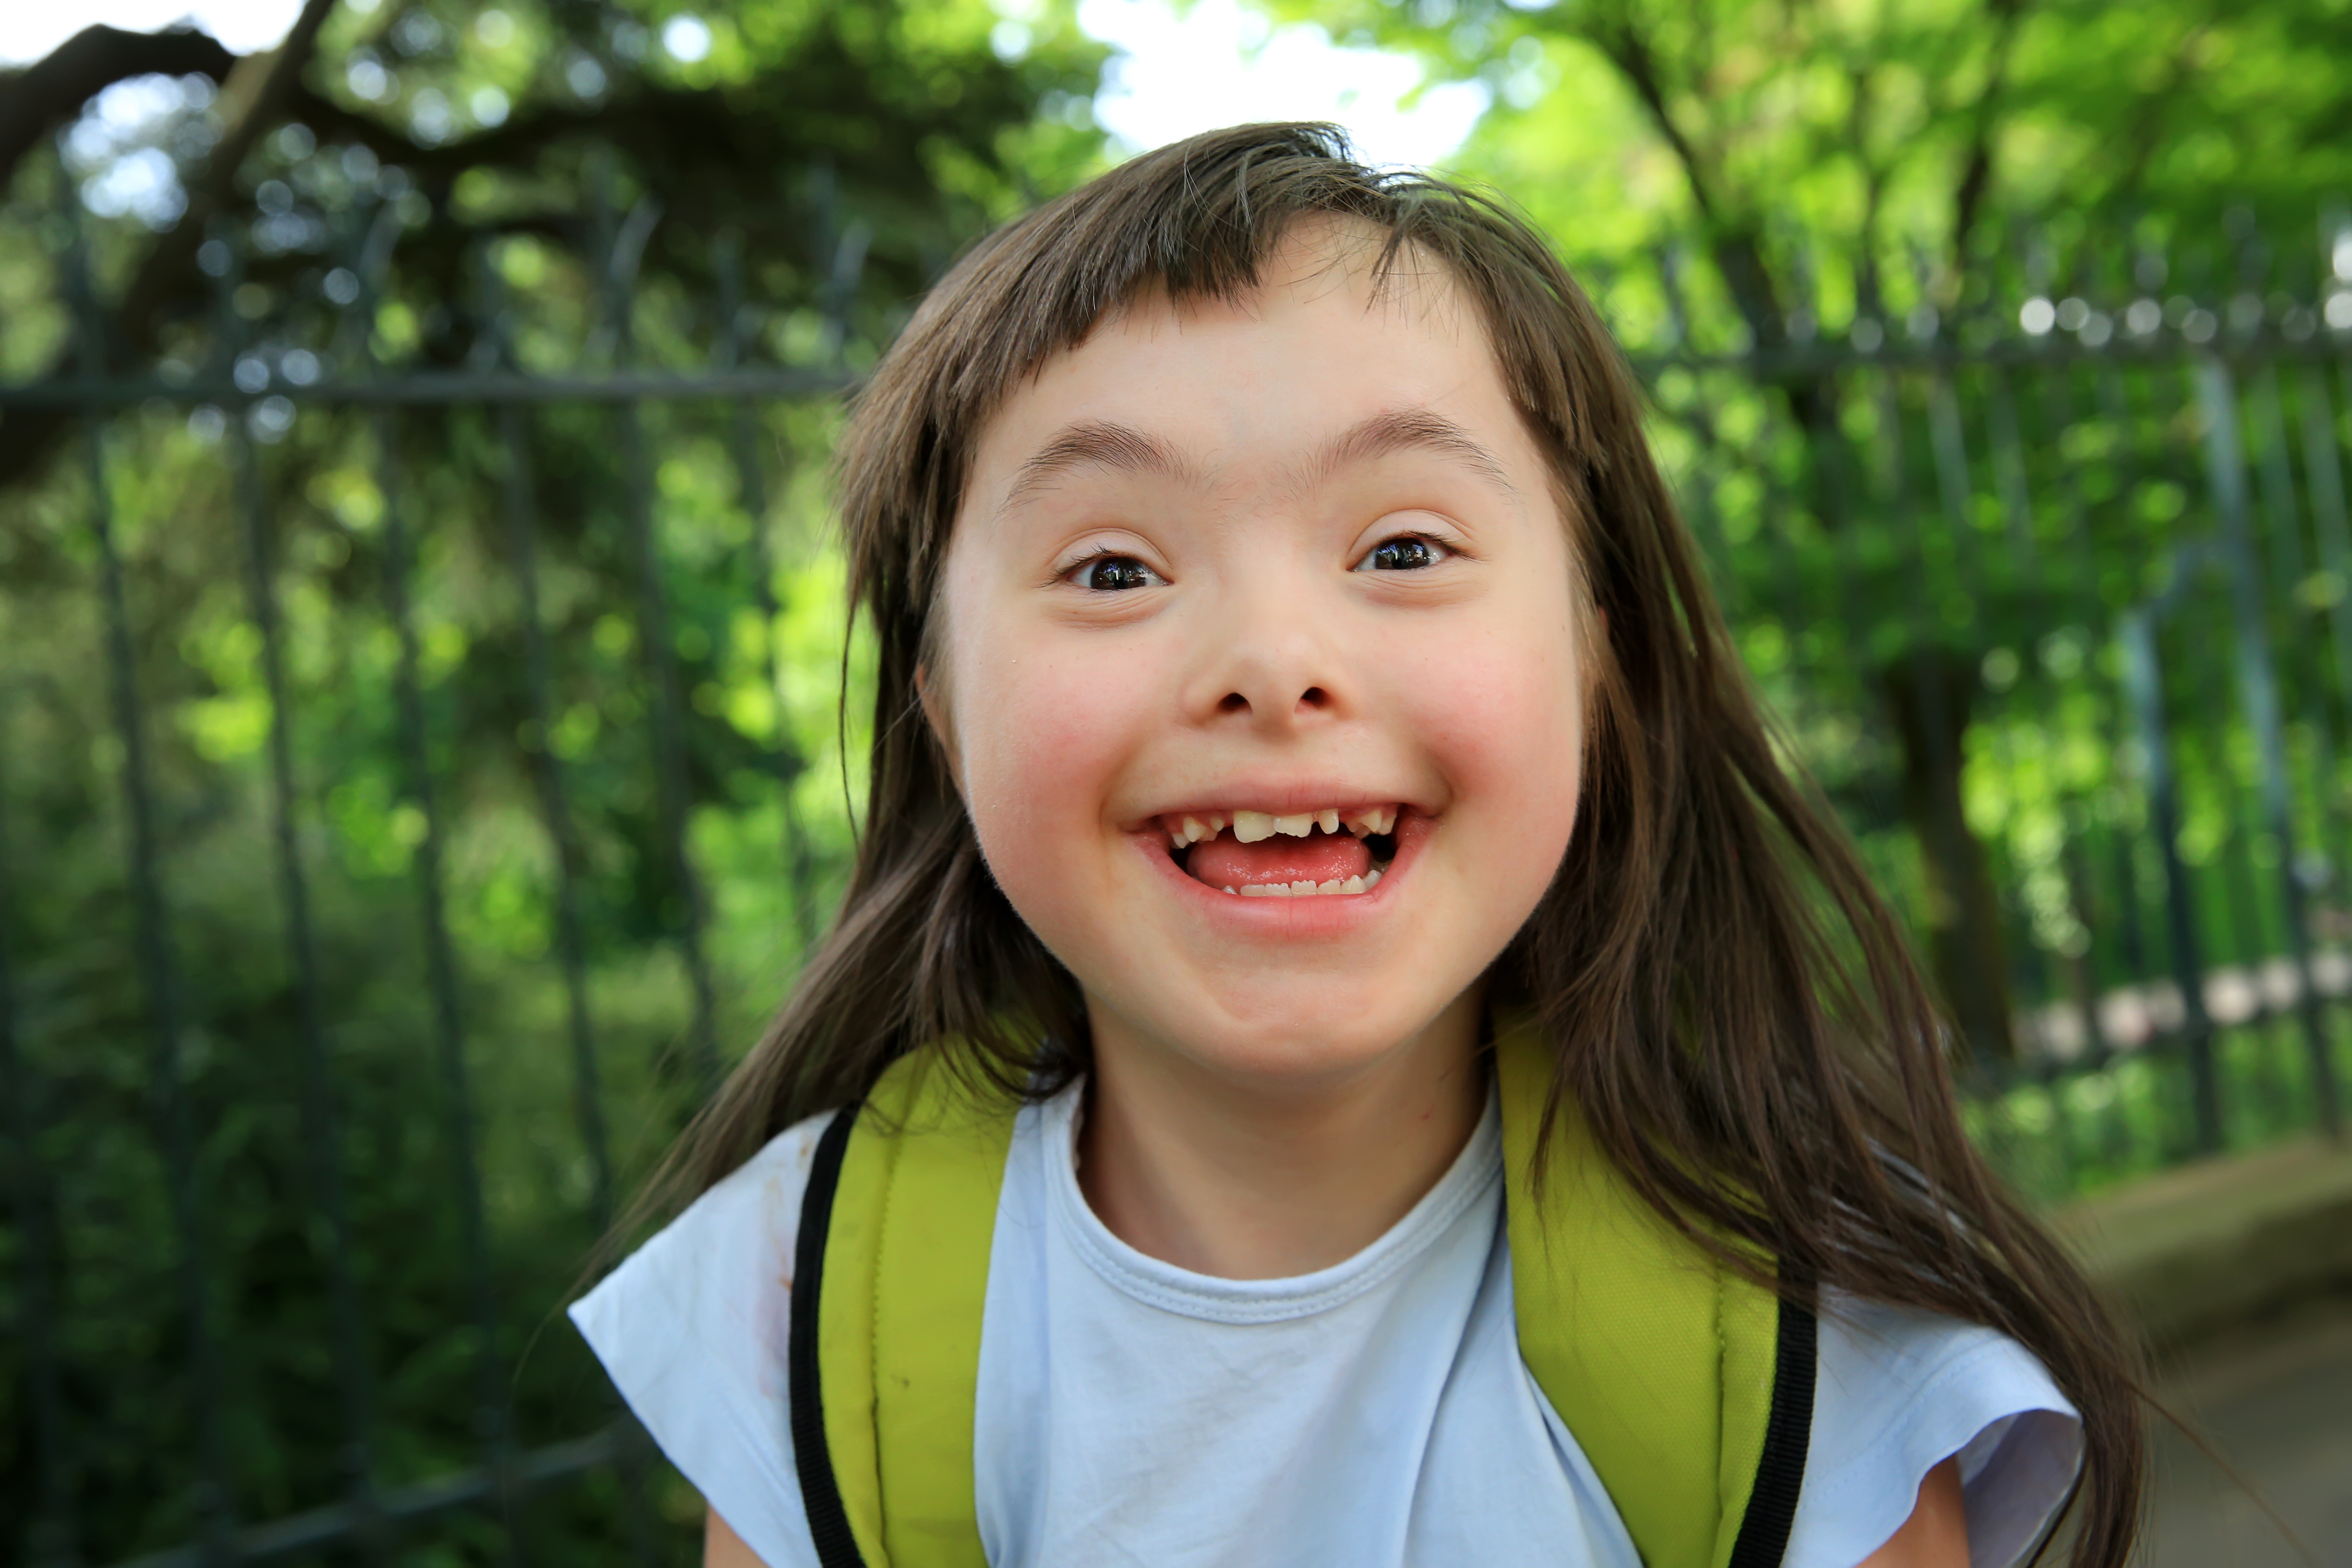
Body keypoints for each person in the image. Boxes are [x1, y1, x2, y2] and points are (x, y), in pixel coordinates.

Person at [572, 123, 2143, 1568]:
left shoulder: (1799, 1314)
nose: (1271, 657)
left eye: (1402, 547)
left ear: (1596, 654)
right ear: (941, 707)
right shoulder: (803, 1300)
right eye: (1113, 568)